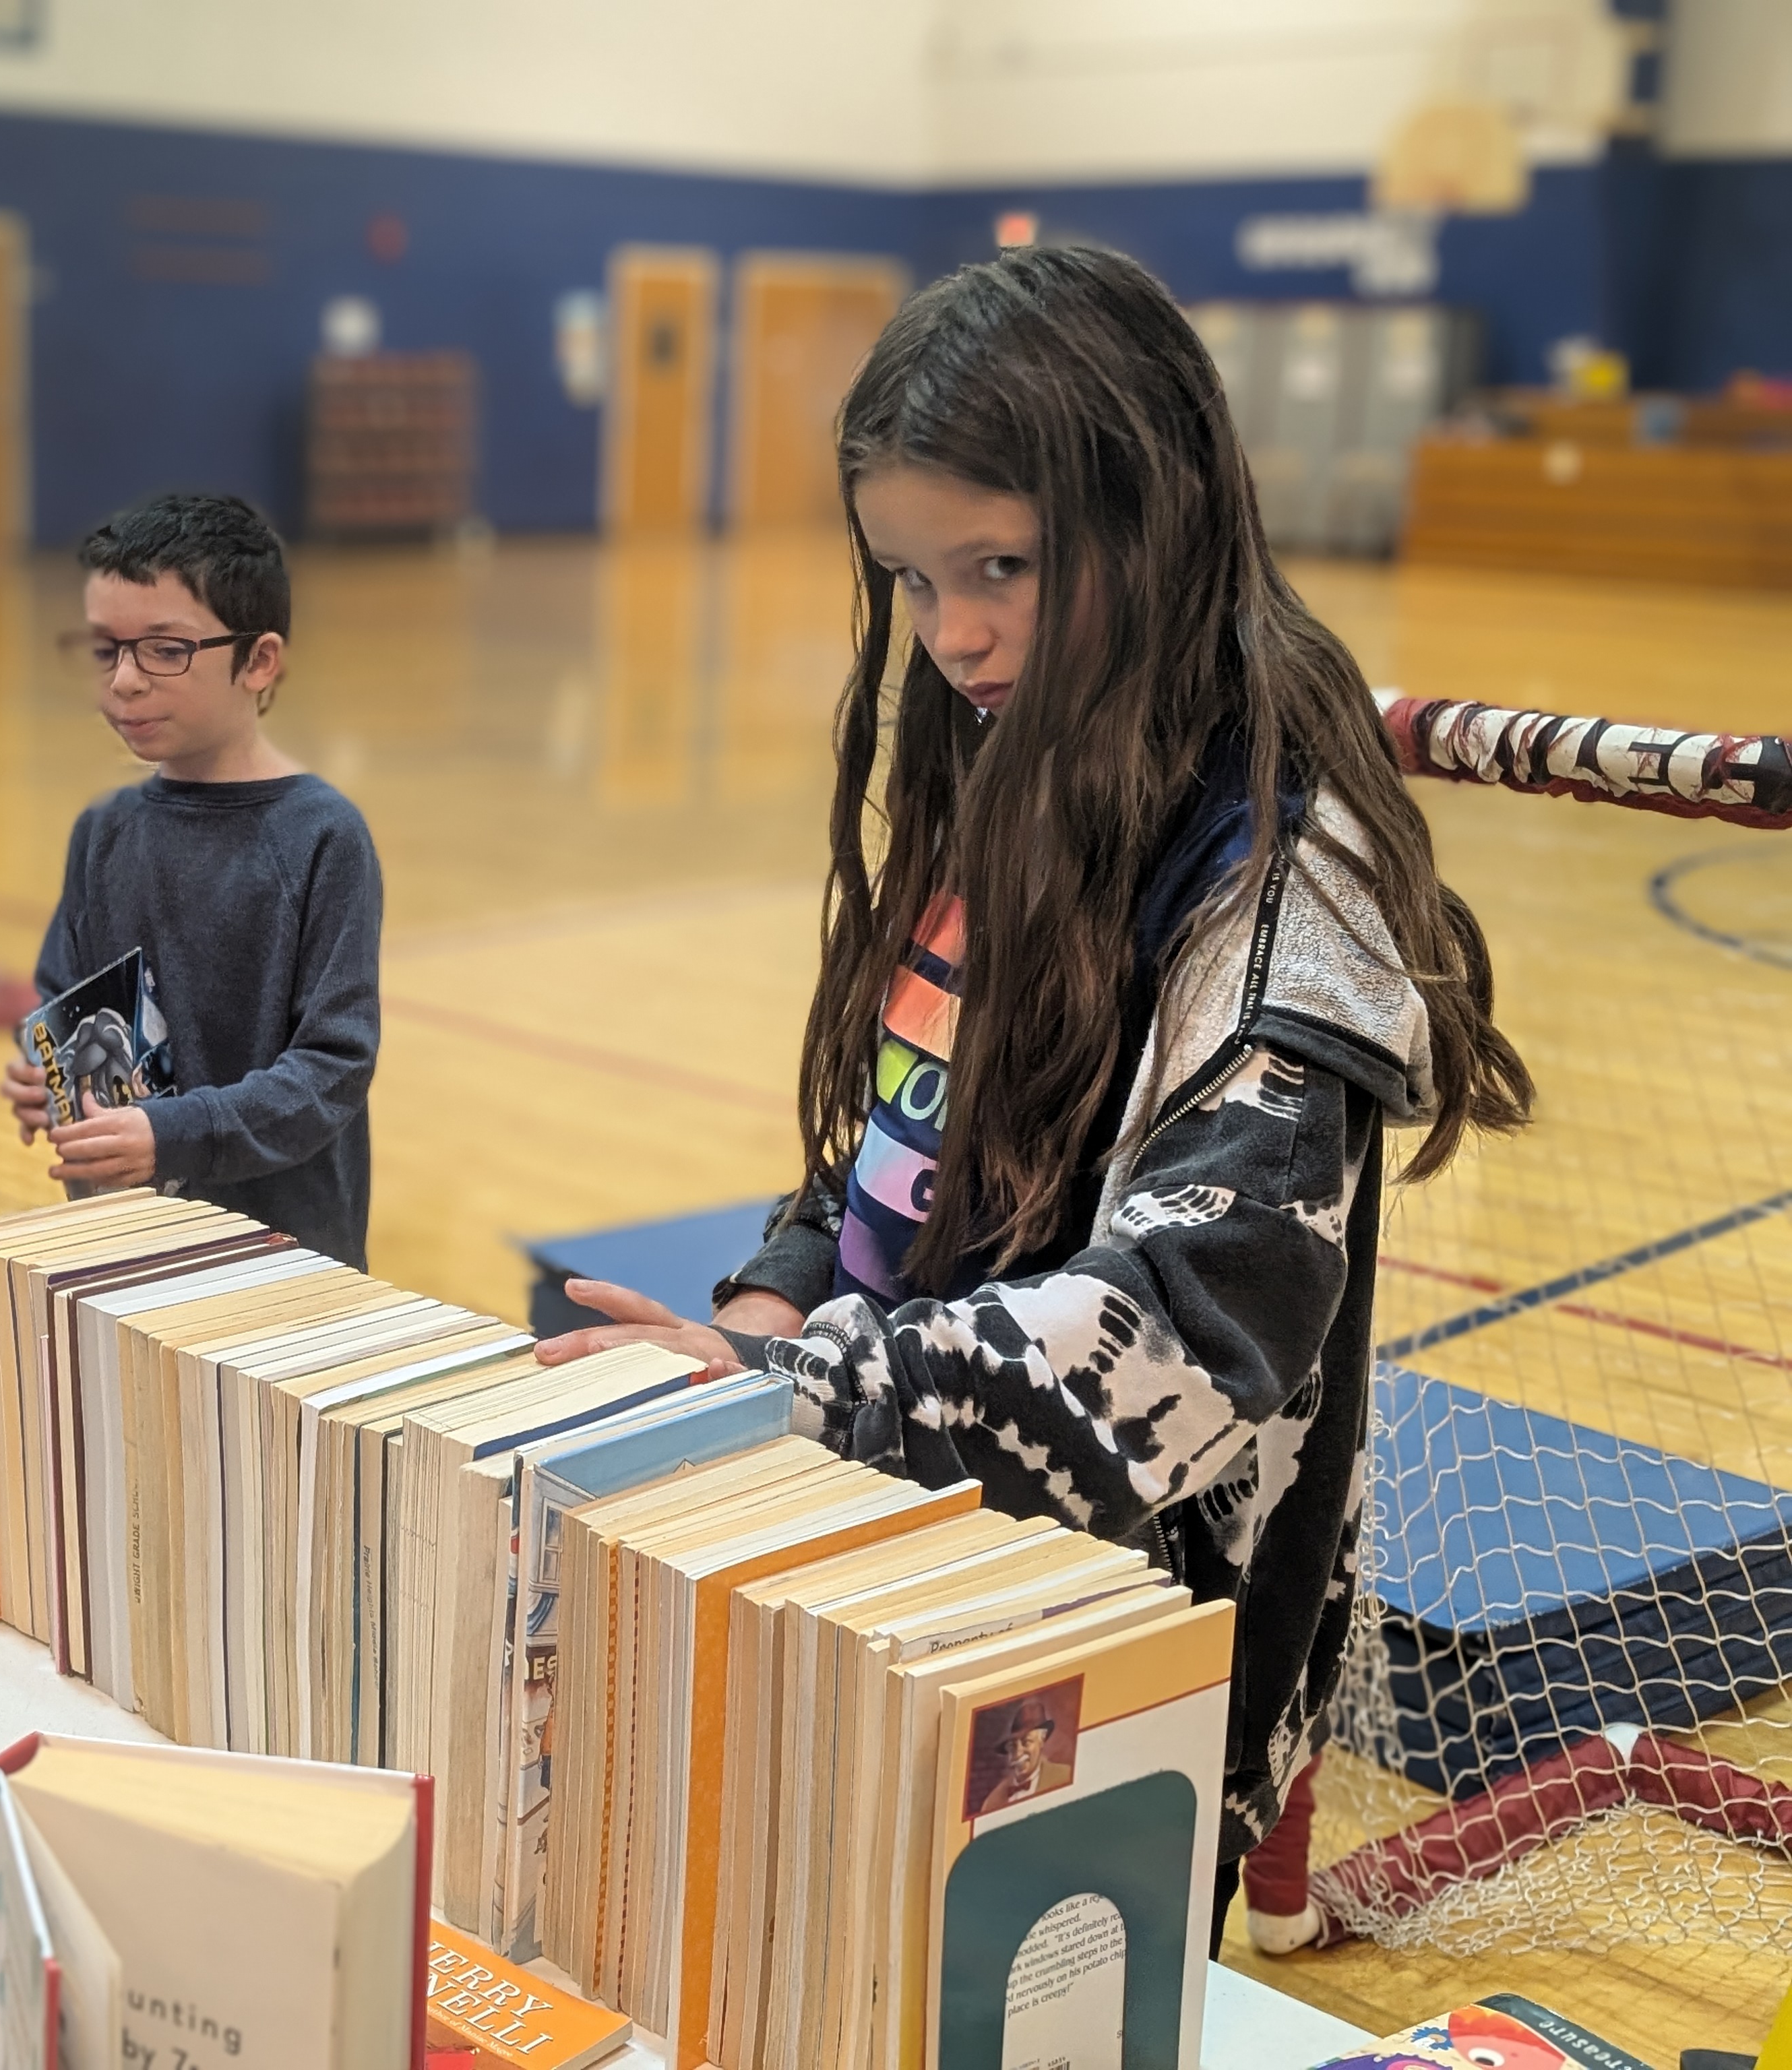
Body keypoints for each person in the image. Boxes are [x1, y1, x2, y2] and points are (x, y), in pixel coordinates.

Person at [533, 246, 1533, 1951]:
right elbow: (900, 1108)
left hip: (1121, 1643)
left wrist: (797, 1388)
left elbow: (1172, 1340)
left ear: (1153, 513)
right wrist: (778, 1286)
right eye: (909, 581)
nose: (954, 633)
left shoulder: (1291, 879)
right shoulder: (1013, 735)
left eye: (998, 565)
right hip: (893, 1526)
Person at [1, 494, 382, 1267]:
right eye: (107, 649)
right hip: (129, 1247)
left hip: (286, 1262)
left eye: (166, 650)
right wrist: (53, 1078)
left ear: (260, 660)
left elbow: (332, 1070)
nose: (127, 681)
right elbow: (66, 1006)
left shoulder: (322, 837)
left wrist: (172, 1134)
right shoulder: (103, 833)